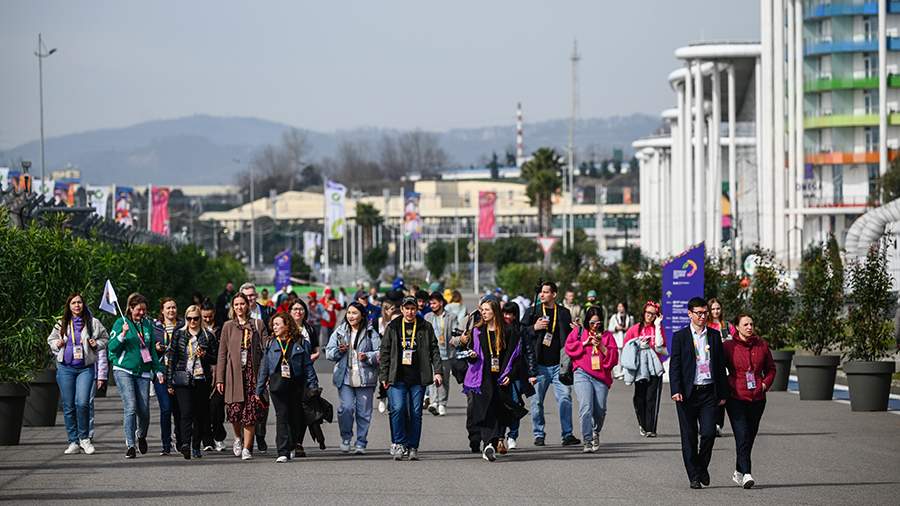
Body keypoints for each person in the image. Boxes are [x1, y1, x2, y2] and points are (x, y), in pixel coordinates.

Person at [669, 297, 729, 489]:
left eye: (705, 313)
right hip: (687, 393)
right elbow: (675, 366)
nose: (703, 316)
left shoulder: (713, 335)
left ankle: (702, 466)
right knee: (689, 437)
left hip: (709, 392)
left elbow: (720, 366)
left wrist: (723, 393)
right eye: (699, 313)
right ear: (690, 314)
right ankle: (694, 476)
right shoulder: (680, 337)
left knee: (709, 433)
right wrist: (676, 389)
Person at [462, 298, 527, 462]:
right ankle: (488, 444)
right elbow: (470, 354)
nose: (483, 313)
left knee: (499, 411)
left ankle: (493, 441)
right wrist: (472, 356)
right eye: (482, 310)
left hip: (501, 377)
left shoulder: (508, 331)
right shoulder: (477, 331)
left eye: (486, 310)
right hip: (482, 377)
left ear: (495, 312)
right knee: (484, 410)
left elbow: (516, 357)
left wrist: (510, 376)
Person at [378, 296, 443, 461]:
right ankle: (399, 443)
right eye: (407, 308)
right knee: (398, 409)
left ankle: (413, 446)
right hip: (397, 376)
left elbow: (434, 350)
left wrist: (437, 371)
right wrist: (383, 376)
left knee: (415, 412)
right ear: (402, 309)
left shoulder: (424, 326)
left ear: (417, 309)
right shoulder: (393, 326)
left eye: (413, 308)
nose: (410, 311)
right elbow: (385, 352)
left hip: (418, 377)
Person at [47, 293, 109, 455]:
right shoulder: (61, 323)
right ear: (69, 306)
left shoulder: (93, 322)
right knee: (68, 405)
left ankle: (85, 438)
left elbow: (105, 338)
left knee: (82, 402)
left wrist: (97, 344)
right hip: (65, 368)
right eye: (73, 303)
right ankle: (73, 441)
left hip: (85, 368)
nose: (77, 305)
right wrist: (57, 343)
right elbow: (51, 340)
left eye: (79, 302)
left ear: (83, 304)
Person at [522, 281, 579, 447]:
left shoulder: (563, 313)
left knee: (565, 399)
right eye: (541, 292)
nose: (542, 294)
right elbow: (520, 332)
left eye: (546, 292)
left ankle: (567, 434)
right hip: (538, 366)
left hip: (559, 365)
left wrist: (578, 330)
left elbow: (570, 337)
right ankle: (539, 434)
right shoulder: (533, 311)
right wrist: (535, 327)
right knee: (536, 401)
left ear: (554, 294)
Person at [257, 313, 319, 463]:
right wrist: (259, 389)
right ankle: (282, 451)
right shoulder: (271, 343)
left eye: (278, 324)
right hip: (276, 385)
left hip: (296, 385)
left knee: (294, 416)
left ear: (287, 325)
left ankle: (292, 445)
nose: (275, 327)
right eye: (274, 325)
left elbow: (307, 366)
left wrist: (313, 385)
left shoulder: (301, 343)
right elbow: (264, 366)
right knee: (282, 415)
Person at [108, 293, 164, 459]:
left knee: (144, 411)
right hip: (124, 370)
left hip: (144, 372)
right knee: (131, 406)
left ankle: (141, 435)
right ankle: (130, 444)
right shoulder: (121, 323)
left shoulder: (147, 325)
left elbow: (152, 350)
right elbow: (112, 347)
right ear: (130, 308)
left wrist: (158, 369)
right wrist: (122, 334)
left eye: (144, 310)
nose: (141, 313)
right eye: (138, 310)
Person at [723, 314, 775, 489]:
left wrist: (765, 384)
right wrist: (724, 388)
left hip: (758, 398)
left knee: (750, 436)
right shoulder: (729, 346)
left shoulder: (762, 345)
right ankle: (746, 473)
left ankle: (738, 470)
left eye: (751, 324)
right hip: (736, 397)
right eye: (745, 324)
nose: (749, 327)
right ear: (737, 327)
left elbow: (771, 369)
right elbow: (718, 368)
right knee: (742, 434)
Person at [215, 293, 268, 461]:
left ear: (247, 305)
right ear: (233, 307)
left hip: (253, 374)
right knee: (235, 411)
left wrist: (266, 375)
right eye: (236, 304)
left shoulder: (258, 324)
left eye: (242, 304)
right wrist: (219, 379)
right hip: (234, 374)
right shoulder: (228, 326)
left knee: (250, 412)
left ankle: (247, 448)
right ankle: (238, 438)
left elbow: (266, 349)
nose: (239, 307)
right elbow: (222, 354)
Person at [326, 302, 381, 454]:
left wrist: (368, 356)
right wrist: (338, 350)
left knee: (364, 412)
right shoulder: (340, 331)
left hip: (365, 377)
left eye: (354, 313)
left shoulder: (371, 332)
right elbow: (328, 352)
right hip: (344, 378)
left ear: (362, 315)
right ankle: (346, 438)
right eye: (349, 312)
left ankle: (361, 442)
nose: (351, 316)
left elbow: (380, 352)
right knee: (346, 408)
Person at [565, 307, 618, 453]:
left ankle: (596, 432)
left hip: (601, 377)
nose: (595, 325)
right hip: (582, 373)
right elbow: (568, 348)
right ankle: (587, 440)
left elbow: (613, 358)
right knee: (586, 407)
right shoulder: (579, 332)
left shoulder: (607, 336)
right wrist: (584, 343)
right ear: (587, 321)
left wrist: (601, 346)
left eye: (598, 323)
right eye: (592, 322)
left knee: (600, 410)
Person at [165, 305, 213, 459]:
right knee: (185, 412)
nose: (192, 321)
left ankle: (196, 446)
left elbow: (216, 357)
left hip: (201, 378)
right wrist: (169, 382)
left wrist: (205, 355)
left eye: (196, 318)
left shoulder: (207, 335)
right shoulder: (179, 334)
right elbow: (172, 358)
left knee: (199, 414)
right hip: (183, 378)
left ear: (200, 319)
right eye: (189, 318)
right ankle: (185, 444)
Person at [621, 301, 666, 437]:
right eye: (648, 313)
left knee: (652, 397)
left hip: (655, 367)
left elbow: (661, 347)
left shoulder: (658, 328)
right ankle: (642, 424)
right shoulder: (634, 329)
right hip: (640, 369)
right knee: (640, 398)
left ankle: (651, 428)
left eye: (653, 314)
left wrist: (658, 326)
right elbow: (626, 347)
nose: (650, 316)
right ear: (644, 313)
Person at [240, 282, 274, 454]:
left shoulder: (267, 312)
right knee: (245, 403)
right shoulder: (237, 315)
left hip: (263, 364)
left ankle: (260, 433)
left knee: (262, 401)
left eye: (253, 295)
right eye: (247, 296)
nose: (250, 298)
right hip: (243, 366)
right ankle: (248, 441)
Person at [500, 302, 537, 451]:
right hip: (499, 373)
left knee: (514, 404)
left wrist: (532, 373)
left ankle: (512, 436)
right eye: (505, 313)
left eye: (510, 314)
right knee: (501, 405)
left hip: (516, 374)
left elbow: (529, 351)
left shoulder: (521, 330)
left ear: (515, 315)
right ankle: (500, 437)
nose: (507, 316)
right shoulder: (498, 328)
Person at [289, 299, 324, 455]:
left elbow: (316, 350)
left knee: (304, 410)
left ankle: (298, 443)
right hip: (287, 375)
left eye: (301, 309)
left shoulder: (309, 329)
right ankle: (288, 441)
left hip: (305, 374)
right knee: (290, 409)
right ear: (290, 312)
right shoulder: (285, 328)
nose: (298, 312)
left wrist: (313, 356)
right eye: (295, 309)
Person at [152, 297, 182, 455]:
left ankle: (180, 439)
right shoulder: (155, 328)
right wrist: (156, 348)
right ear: (162, 310)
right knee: (166, 408)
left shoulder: (183, 325)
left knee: (178, 408)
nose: (171, 310)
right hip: (161, 372)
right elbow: (148, 350)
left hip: (179, 372)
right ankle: (165, 443)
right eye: (168, 308)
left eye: (174, 307)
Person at [425, 291, 458, 416]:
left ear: (441, 303)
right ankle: (433, 402)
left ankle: (442, 404)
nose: (432, 306)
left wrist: (455, 341)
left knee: (444, 380)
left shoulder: (451, 317)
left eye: (434, 303)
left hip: (446, 353)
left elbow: (456, 333)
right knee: (432, 378)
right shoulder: (428, 317)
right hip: (431, 353)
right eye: (431, 303)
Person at [201, 301, 228, 452]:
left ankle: (219, 436)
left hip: (219, 372)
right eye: (204, 316)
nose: (206, 319)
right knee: (205, 408)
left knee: (217, 407)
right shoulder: (196, 329)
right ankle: (208, 440)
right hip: (201, 373)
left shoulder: (222, 328)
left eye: (209, 316)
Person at [708, 298, 736, 437]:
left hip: (725, 365)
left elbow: (736, 342)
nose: (715, 311)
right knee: (710, 395)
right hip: (709, 364)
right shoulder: (706, 326)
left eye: (717, 308)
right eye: (712, 309)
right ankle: (709, 423)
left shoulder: (727, 326)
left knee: (722, 396)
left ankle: (718, 424)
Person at [376, 295, 401, 415]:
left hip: (394, 353)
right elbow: (374, 338)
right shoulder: (379, 321)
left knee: (392, 376)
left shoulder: (396, 320)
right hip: (381, 353)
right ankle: (382, 398)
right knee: (383, 376)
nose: (393, 310)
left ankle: (391, 398)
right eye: (391, 309)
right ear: (385, 310)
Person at [607, 302, 633, 380]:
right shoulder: (614, 317)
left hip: (626, 339)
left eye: (621, 306)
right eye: (619, 307)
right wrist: (616, 328)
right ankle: (617, 372)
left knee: (625, 357)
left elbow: (632, 329)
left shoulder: (630, 317)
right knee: (617, 357)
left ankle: (624, 372)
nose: (620, 308)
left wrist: (627, 329)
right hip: (617, 339)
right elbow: (609, 329)